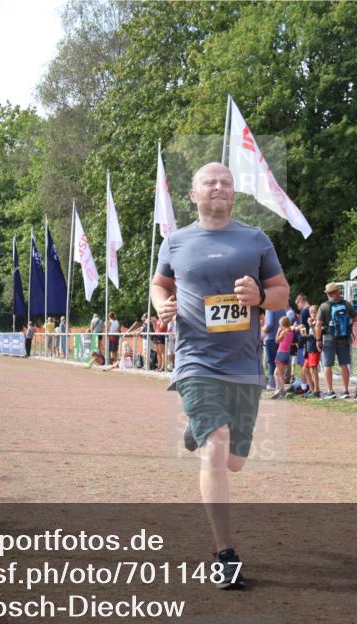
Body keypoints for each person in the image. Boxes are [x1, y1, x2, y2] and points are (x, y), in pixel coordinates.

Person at [151, 162, 289, 588]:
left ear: (234, 194)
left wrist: (261, 296)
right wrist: (161, 305)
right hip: (196, 361)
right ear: (193, 194)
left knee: (235, 461)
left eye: (226, 183)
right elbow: (159, 285)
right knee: (217, 448)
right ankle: (224, 552)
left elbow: (281, 293)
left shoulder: (255, 239)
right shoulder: (175, 241)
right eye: (209, 182)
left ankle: (201, 429)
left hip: (245, 367)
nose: (218, 187)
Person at [315, 282, 356, 399]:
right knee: (344, 364)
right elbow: (356, 318)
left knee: (328, 365)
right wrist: (347, 326)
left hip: (329, 338)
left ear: (328, 294)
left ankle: (330, 391)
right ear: (338, 292)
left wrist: (318, 340)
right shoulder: (347, 305)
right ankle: (346, 391)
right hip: (344, 338)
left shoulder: (324, 306)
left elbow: (318, 325)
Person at [271, 316, 294, 398]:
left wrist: (278, 332)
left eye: (280, 324)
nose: (279, 326)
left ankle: (282, 390)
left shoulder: (284, 331)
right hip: (286, 353)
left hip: (281, 353)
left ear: (283, 324)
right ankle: (279, 389)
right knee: (276, 373)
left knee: (279, 374)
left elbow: (277, 340)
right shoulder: (290, 331)